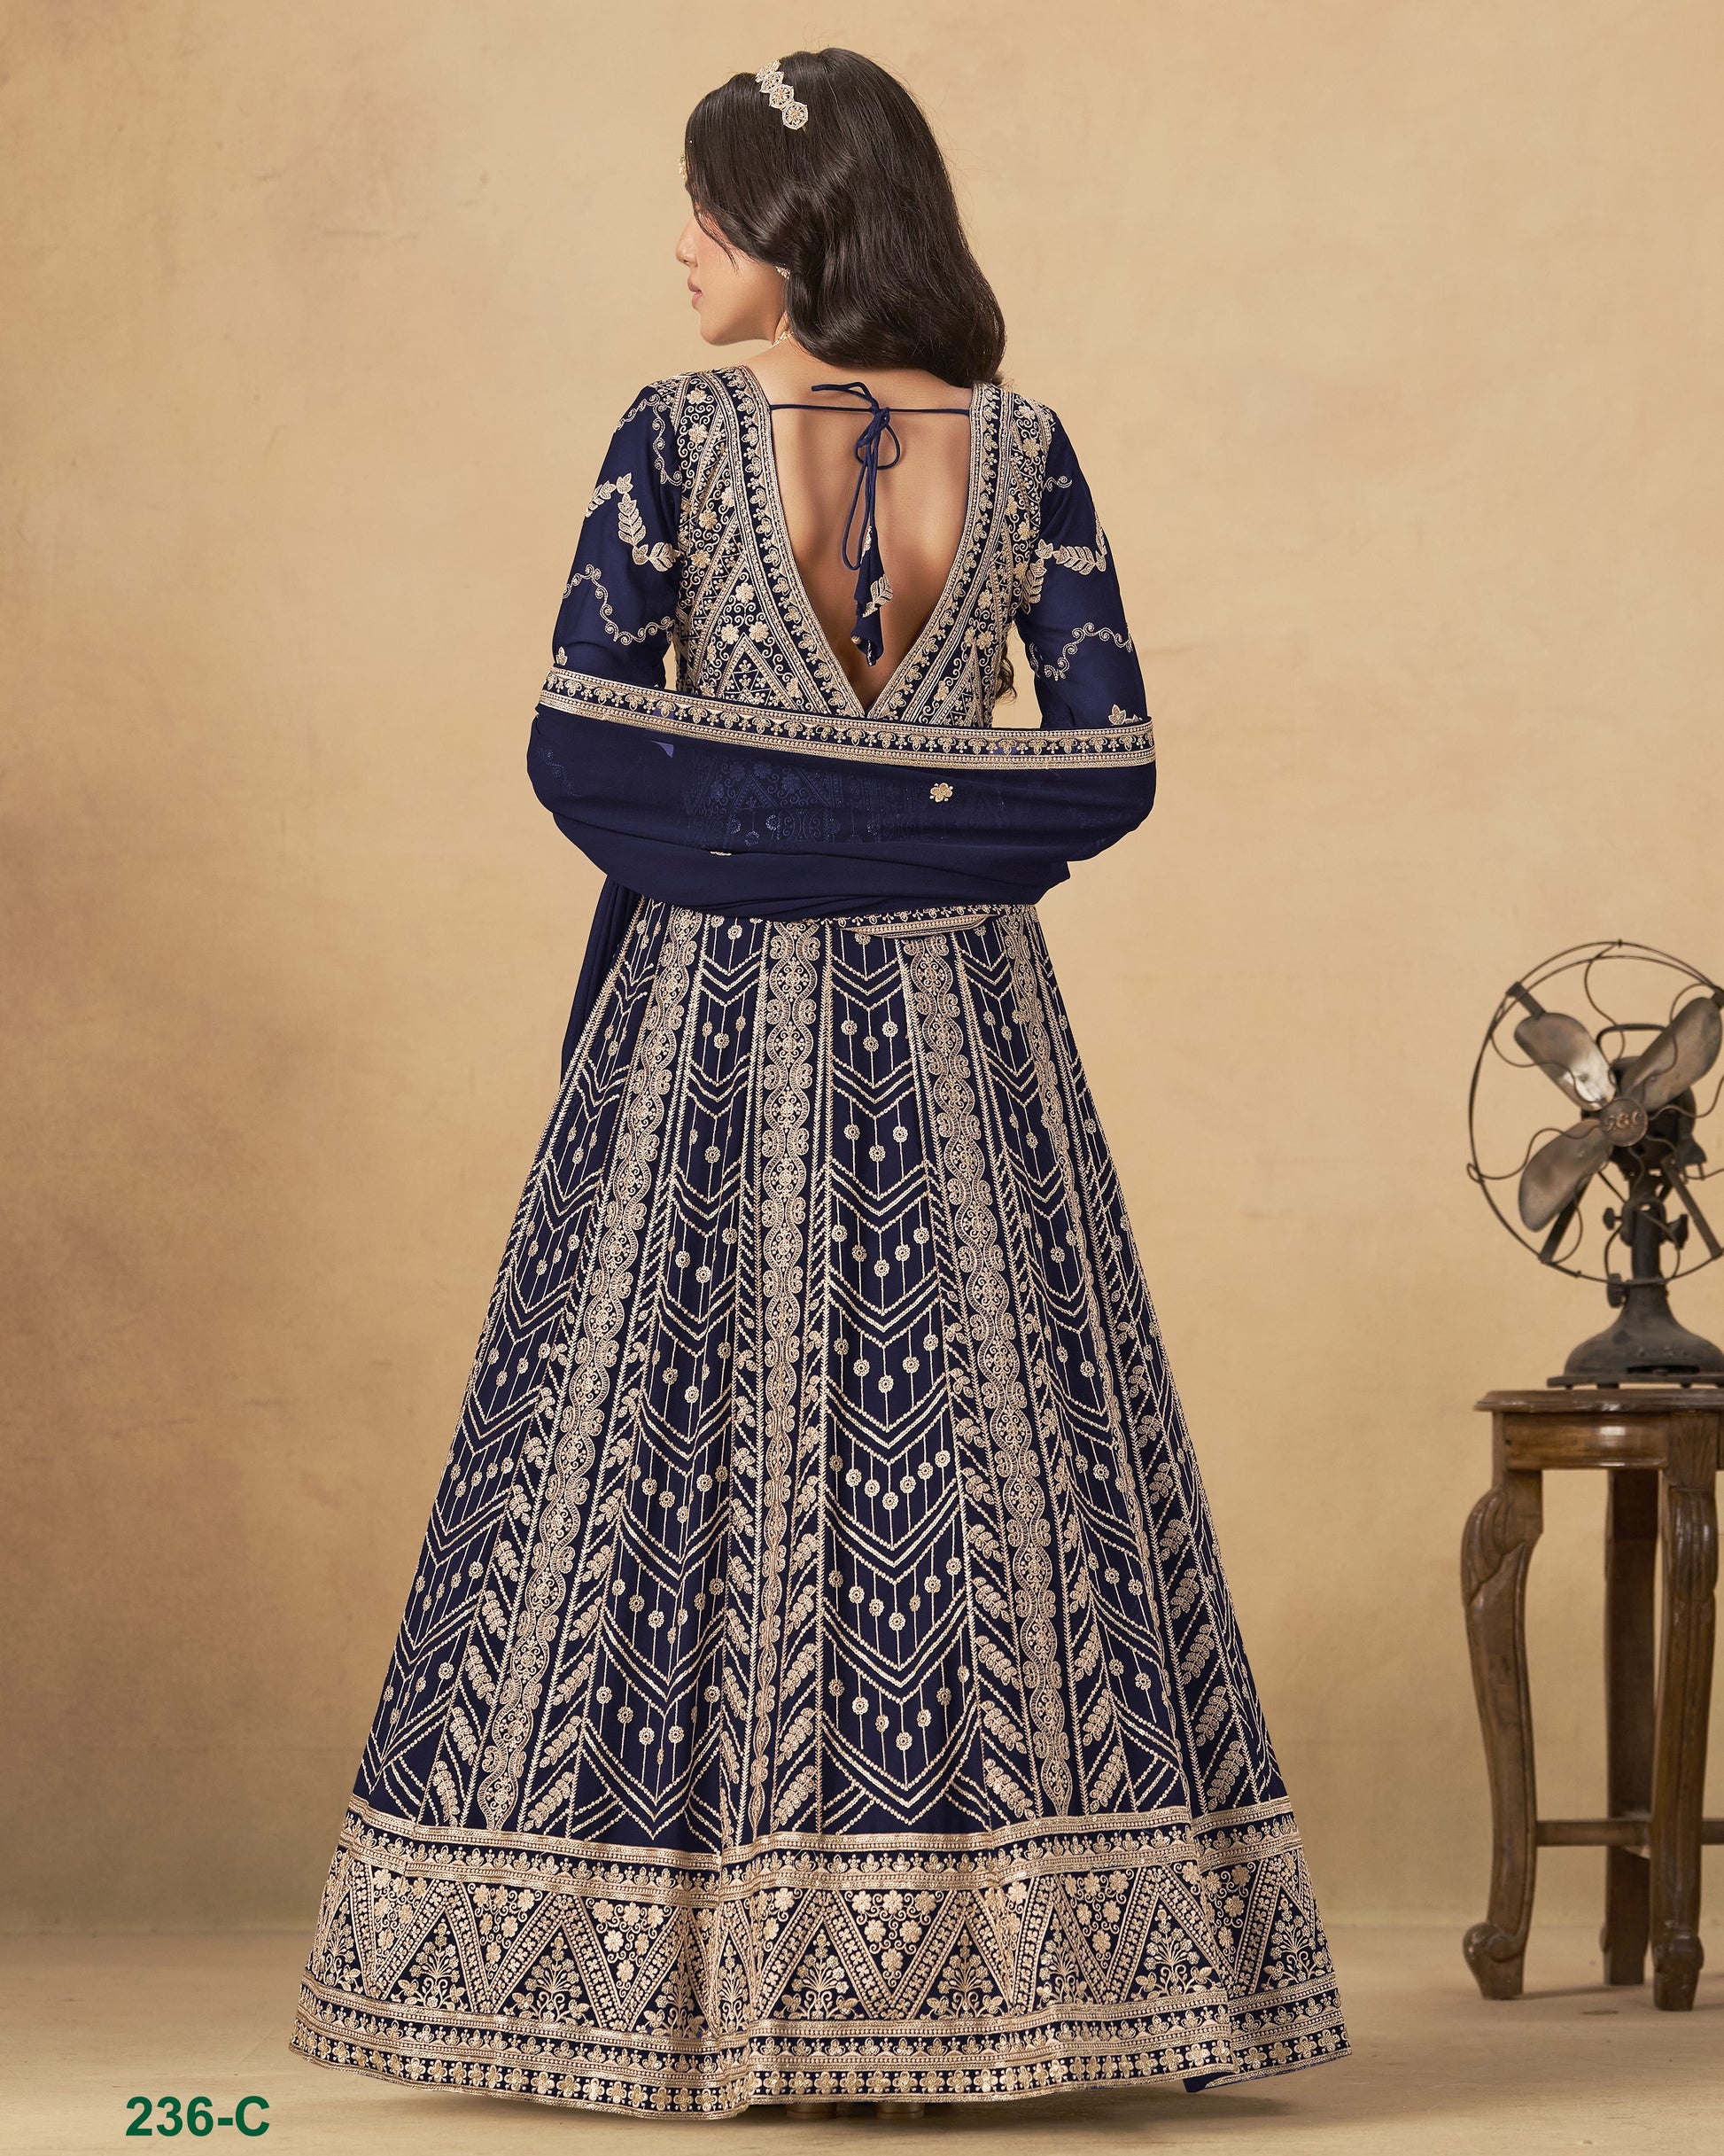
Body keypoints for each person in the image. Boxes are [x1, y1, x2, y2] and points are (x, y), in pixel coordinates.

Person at [290, 47, 1348, 2121]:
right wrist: (922, 829)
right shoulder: (1020, 448)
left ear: (795, 222)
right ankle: (999, 1988)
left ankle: (665, 1982)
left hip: (714, 1002)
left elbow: (600, 758)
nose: (677, 243)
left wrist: (759, 832)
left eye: (706, 205)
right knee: (992, 1443)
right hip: (969, 1008)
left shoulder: (682, 436)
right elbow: (1082, 769)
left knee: (666, 1438)